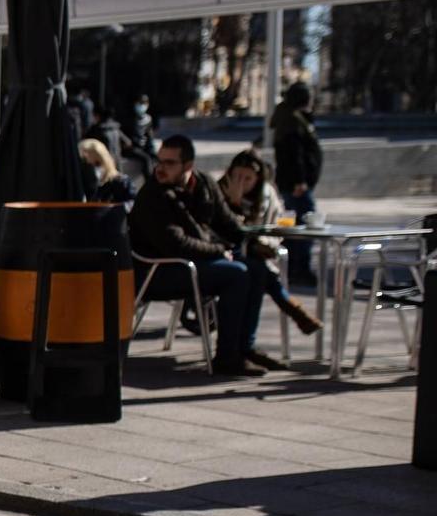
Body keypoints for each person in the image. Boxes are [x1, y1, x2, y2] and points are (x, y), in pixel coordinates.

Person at [128, 134, 271, 377]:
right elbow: (177, 245)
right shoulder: (154, 195)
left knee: (257, 268)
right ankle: (227, 357)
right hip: (158, 271)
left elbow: (229, 225)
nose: (161, 168)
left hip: (192, 262)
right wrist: (221, 250)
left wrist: (252, 239)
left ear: (188, 166)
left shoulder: (204, 184)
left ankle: (244, 349)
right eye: (159, 161)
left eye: (169, 163)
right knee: (237, 275)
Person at [218, 148, 320, 339]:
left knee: (257, 268)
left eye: (247, 178)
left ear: (257, 179)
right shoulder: (219, 190)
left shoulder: (265, 194)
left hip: (257, 248)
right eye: (237, 176)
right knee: (258, 271)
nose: (241, 182)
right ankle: (289, 306)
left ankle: (248, 344)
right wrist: (234, 203)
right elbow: (226, 230)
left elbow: (268, 225)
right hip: (227, 250)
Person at [270, 81, 322, 286]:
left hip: (290, 184)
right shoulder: (292, 121)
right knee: (300, 226)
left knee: (290, 223)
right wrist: (300, 180)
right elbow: (294, 155)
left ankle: (290, 266)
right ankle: (298, 267)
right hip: (296, 186)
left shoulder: (290, 118)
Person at [80, 138, 134, 204]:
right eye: (85, 164)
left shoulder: (121, 182)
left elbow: (131, 204)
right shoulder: (86, 185)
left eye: (97, 163)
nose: (94, 169)